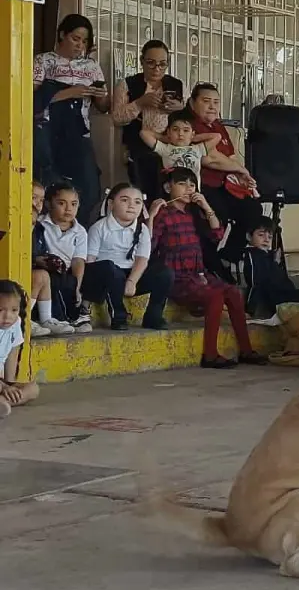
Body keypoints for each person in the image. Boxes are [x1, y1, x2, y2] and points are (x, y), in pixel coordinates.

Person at [150, 168, 268, 369]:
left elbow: (217, 234)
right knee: (215, 296)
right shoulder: (163, 214)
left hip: (198, 274)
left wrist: (205, 205)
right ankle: (210, 354)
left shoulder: (194, 213)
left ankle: (246, 350)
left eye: (192, 185)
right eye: (182, 184)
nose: (188, 189)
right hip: (177, 277)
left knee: (232, 292)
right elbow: (149, 244)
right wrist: (151, 215)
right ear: (168, 187)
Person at [32, 14, 110, 224]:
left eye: (85, 41)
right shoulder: (43, 61)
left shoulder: (92, 66)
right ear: (62, 35)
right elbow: (31, 100)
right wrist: (70, 92)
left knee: (89, 187)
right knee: (49, 181)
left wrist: (101, 96)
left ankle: (77, 233)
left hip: (79, 132)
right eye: (76, 38)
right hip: (48, 132)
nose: (80, 45)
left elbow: (103, 108)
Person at [187, 83, 262, 264]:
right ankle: (211, 262)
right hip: (202, 183)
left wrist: (241, 177)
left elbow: (231, 157)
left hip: (225, 184)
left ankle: (229, 256)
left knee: (253, 209)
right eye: (206, 101)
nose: (212, 107)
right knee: (218, 213)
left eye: (216, 102)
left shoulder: (218, 126)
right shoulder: (187, 126)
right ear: (192, 103)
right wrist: (240, 169)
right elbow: (208, 158)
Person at [83, 184, 173, 331]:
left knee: (164, 273)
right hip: (107, 277)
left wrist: (132, 281)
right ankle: (118, 317)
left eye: (137, 202)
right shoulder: (98, 228)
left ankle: (153, 316)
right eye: (125, 200)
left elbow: (142, 259)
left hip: (131, 275)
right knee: (111, 269)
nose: (132, 205)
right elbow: (90, 260)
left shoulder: (142, 229)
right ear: (111, 204)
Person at [111, 39, 187, 200]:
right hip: (140, 145)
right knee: (147, 168)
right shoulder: (127, 84)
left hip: (172, 144)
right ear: (141, 61)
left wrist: (179, 108)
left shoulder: (177, 85)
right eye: (151, 63)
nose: (157, 69)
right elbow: (117, 118)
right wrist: (139, 103)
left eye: (162, 64)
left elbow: (189, 116)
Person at [35, 183, 92, 333]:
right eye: (61, 203)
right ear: (48, 204)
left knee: (79, 278)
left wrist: (77, 287)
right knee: (51, 278)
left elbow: (78, 260)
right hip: (46, 269)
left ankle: (76, 316)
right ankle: (57, 319)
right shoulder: (40, 224)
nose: (68, 209)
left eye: (74, 204)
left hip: (67, 272)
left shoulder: (80, 232)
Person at [238, 217, 299, 319]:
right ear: (249, 237)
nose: (266, 239)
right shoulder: (253, 255)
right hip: (276, 296)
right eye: (261, 235)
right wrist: (250, 309)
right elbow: (256, 283)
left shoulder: (266, 255)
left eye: (270, 237)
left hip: (284, 292)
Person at [28, 181, 68, 337]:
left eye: (41, 199)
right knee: (38, 276)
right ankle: (22, 319)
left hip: (30, 267)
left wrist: (43, 259)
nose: (38, 203)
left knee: (44, 275)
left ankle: (46, 319)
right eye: (33, 197)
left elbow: (38, 251)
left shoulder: (39, 227)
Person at [0, 281, 39, 418]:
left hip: (2, 381)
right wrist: (4, 387)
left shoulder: (15, 323)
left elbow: (12, 353)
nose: (7, 316)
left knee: (33, 389)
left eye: (14, 310)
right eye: (0, 310)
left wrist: (10, 385)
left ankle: (3, 402)